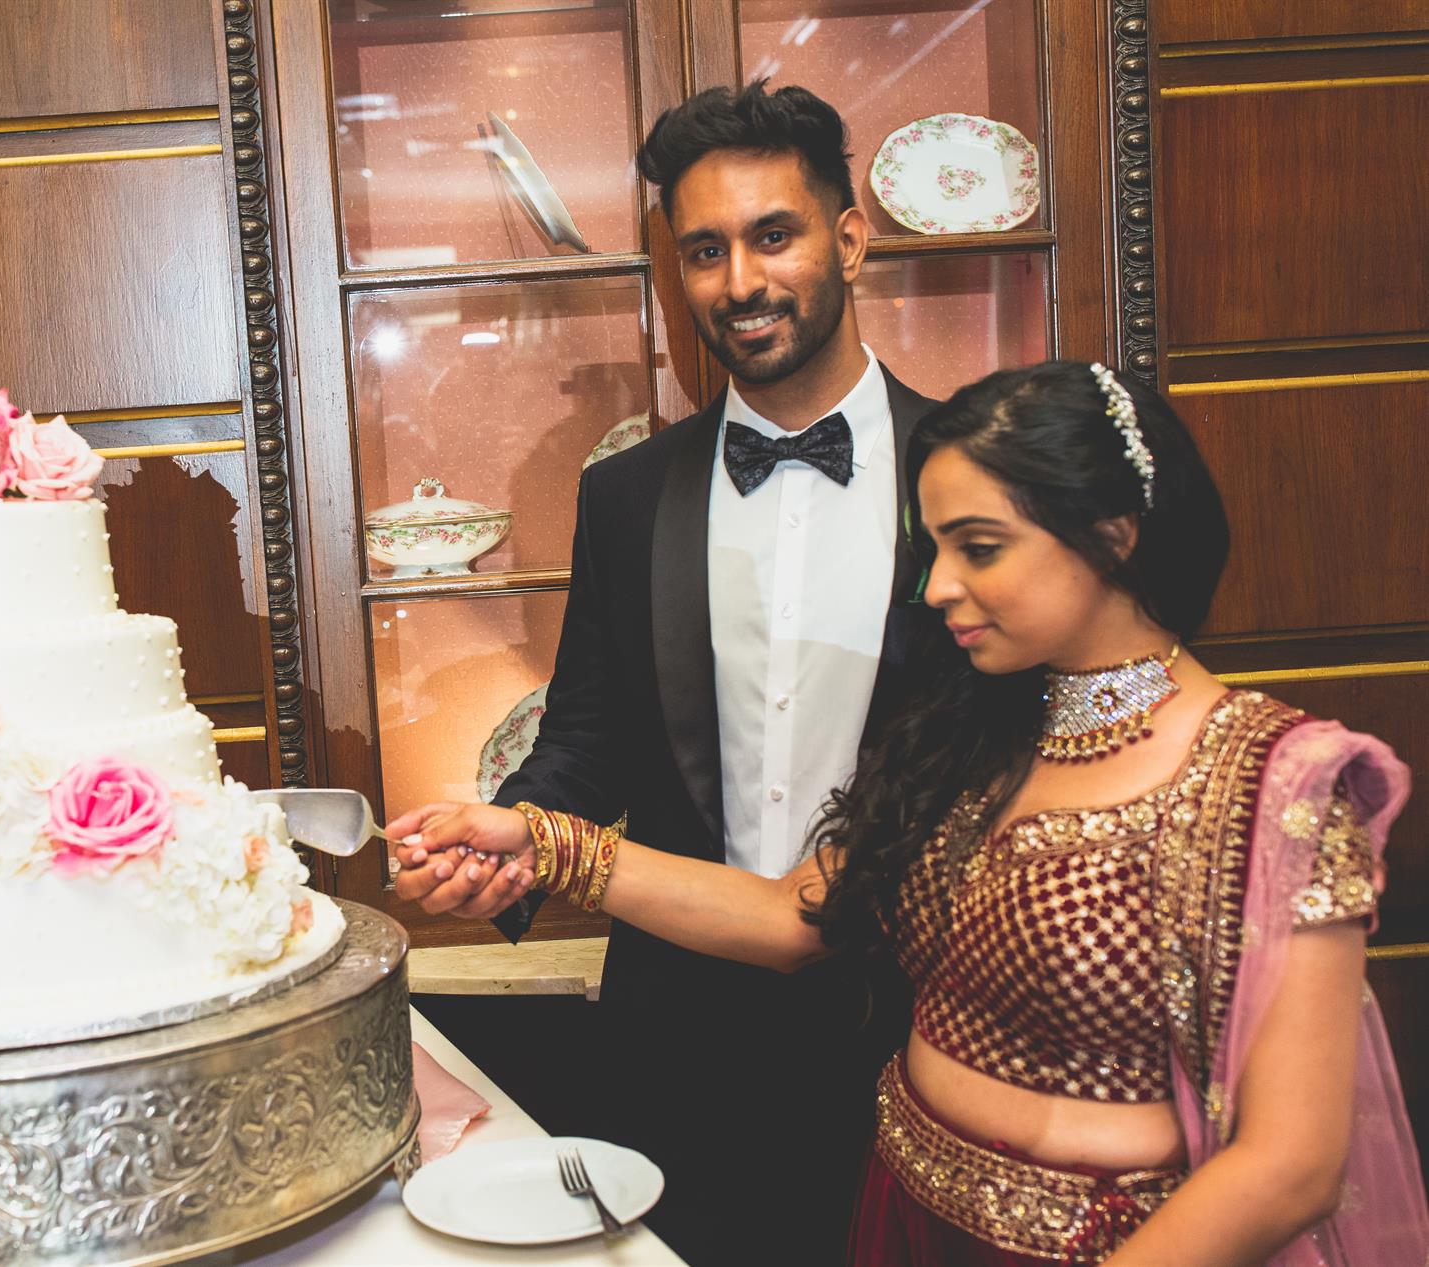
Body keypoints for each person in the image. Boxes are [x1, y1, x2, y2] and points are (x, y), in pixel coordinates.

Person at [395, 360, 1429, 1265]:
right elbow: (790, 916)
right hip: (897, 1221)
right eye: (933, 548)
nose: (936, 586)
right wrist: (539, 840)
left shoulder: (1273, 778)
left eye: (979, 547)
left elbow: (1291, 1166)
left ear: (1112, 535)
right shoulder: (968, 738)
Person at [396, 81, 935, 1263]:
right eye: (703, 250)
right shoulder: (625, 496)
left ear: (850, 239)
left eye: (773, 235)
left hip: (921, 1031)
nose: (739, 280)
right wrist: (509, 846)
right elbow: (588, 735)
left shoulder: (965, 476)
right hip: (678, 1041)